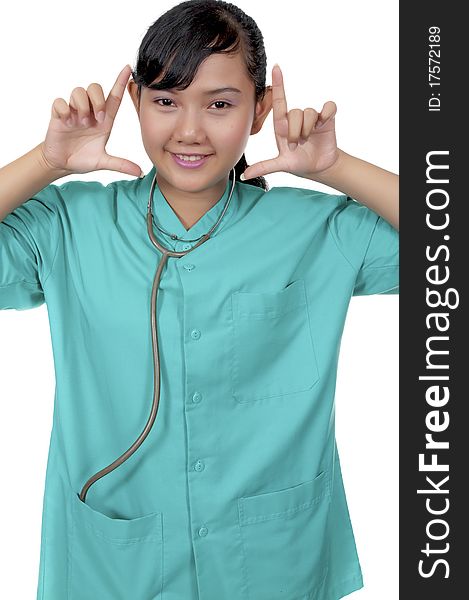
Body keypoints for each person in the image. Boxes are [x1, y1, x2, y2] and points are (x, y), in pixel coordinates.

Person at [0, 1, 398, 598]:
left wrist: (337, 167)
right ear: (134, 102)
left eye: (219, 104)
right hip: (114, 567)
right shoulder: (67, 225)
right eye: (166, 101)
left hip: (274, 564)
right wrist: (47, 162)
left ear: (260, 109)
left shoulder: (317, 230)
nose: (189, 130)